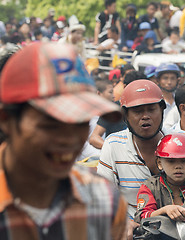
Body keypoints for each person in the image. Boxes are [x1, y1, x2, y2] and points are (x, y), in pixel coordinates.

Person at [0, 42, 127, 239]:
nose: (69, 139)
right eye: (51, 124)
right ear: (7, 121)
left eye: (80, 122)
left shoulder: (105, 202)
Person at [97, 80, 185, 238]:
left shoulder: (181, 140)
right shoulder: (113, 145)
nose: (145, 116)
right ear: (126, 115)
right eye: (137, 111)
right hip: (136, 231)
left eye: (151, 109)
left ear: (162, 110)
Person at [134, 133, 185, 224]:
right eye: (171, 161)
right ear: (159, 163)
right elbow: (141, 217)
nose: (178, 166)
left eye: (184, 161)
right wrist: (164, 211)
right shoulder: (150, 187)